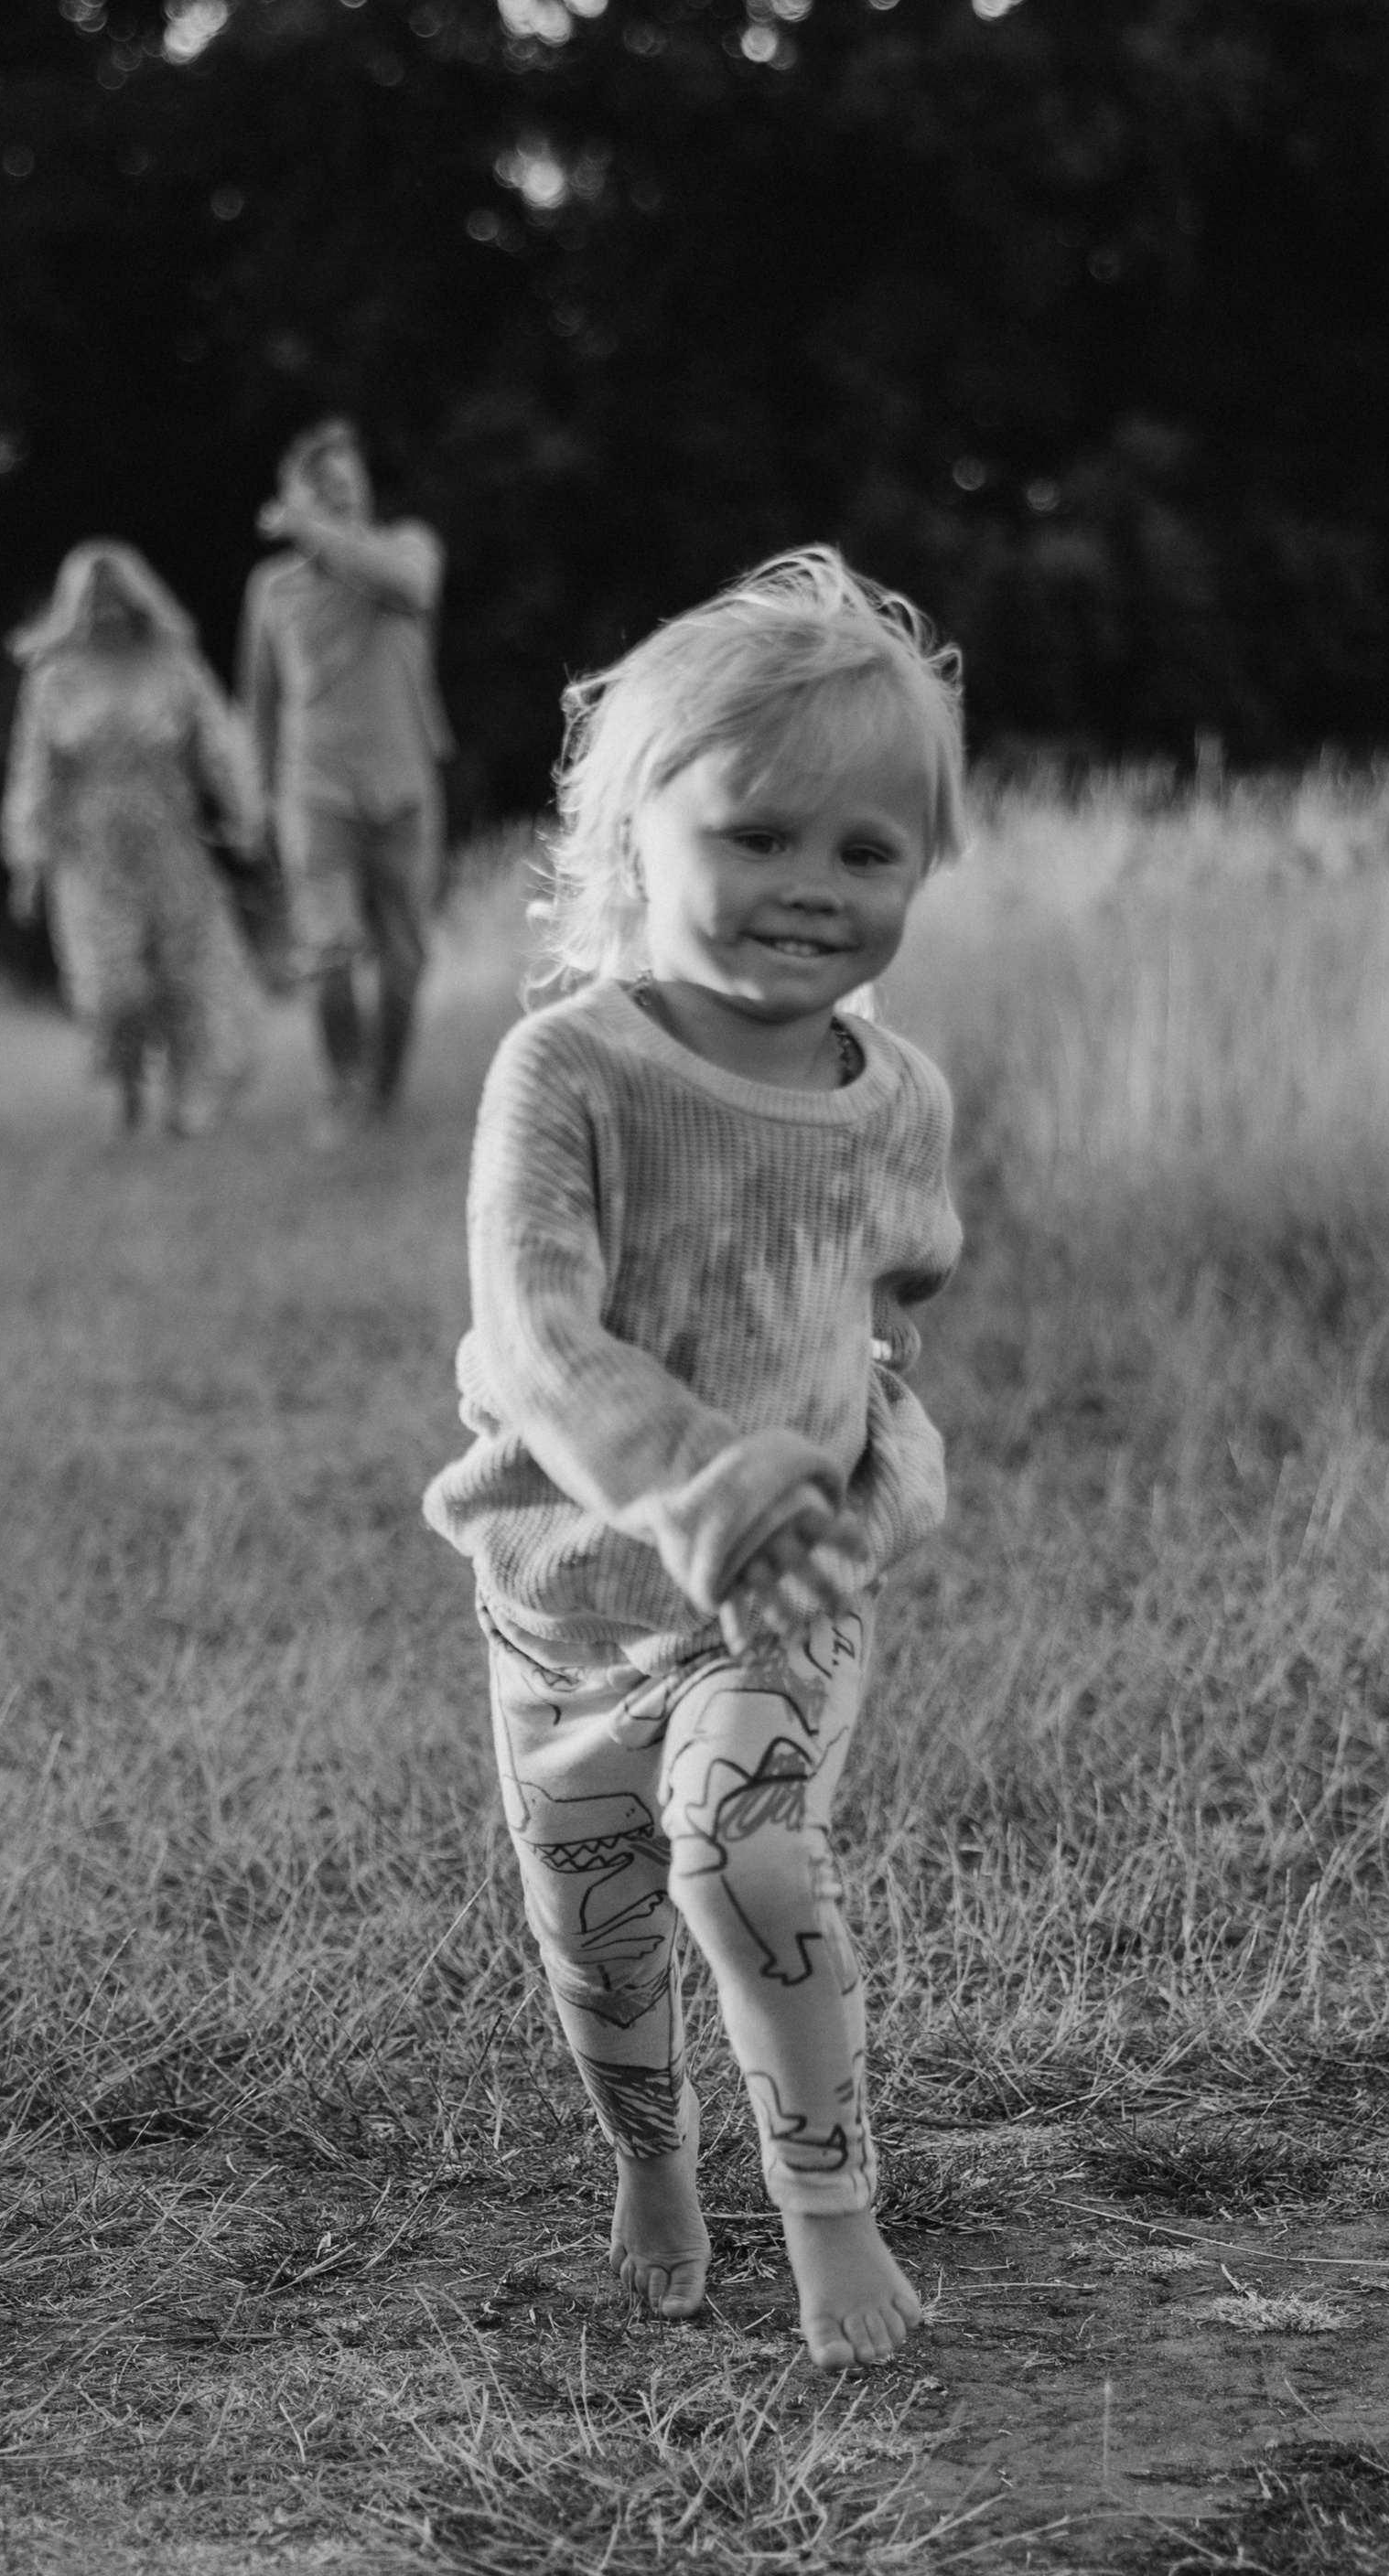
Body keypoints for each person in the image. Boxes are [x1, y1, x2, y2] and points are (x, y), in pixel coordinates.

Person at [422, 548, 967, 2372]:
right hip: (573, 1600)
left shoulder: (895, 1098)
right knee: (594, 1929)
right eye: (753, 835)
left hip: (777, 1593)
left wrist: (849, 1470)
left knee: (742, 1863)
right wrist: (702, 1481)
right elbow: (537, 1341)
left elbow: (889, 1304)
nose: (806, 887)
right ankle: (653, 2168)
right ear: (626, 840)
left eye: (862, 851)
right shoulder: (562, 1070)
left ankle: (829, 2222)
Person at [3, 541, 264, 1137]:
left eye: (119, 602)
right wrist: (27, 857)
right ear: (74, 610)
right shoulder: (53, 677)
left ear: (141, 602)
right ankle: (125, 1086)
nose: (109, 615)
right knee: (112, 987)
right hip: (88, 854)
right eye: (95, 605)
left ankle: (186, 1099)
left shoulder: (173, 663)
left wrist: (246, 815)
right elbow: (33, 770)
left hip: (169, 841)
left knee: (184, 977)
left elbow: (219, 744)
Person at [238, 418, 451, 1139]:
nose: (331, 492)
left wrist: (308, 525)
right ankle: (343, 1087)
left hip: (404, 791)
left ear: (363, 487)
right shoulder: (272, 590)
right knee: (326, 947)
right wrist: (255, 798)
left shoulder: (407, 550)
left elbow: (410, 585)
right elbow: (259, 702)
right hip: (313, 790)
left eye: (342, 479)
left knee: (404, 965)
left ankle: (385, 1092)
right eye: (313, 484)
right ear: (290, 494)